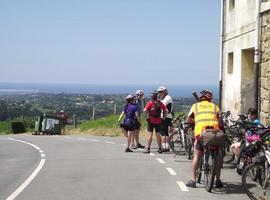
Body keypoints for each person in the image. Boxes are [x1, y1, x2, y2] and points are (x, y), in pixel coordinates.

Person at [185, 90, 223, 188]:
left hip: (201, 133)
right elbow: (220, 120)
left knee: (197, 155)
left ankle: (193, 180)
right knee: (218, 156)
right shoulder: (215, 107)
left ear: (201, 99)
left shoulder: (195, 106)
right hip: (214, 133)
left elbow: (188, 120)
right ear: (210, 100)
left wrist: (196, 121)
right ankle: (218, 180)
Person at [158, 86, 173, 152]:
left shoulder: (167, 98)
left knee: (163, 132)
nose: (159, 93)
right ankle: (167, 146)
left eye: (161, 92)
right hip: (167, 117)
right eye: (159, 92)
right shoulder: (166, 98)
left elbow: (161, 105)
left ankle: (164, 146)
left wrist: (159, 99)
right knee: (166, 133)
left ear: (164, 92)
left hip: (164, 117)